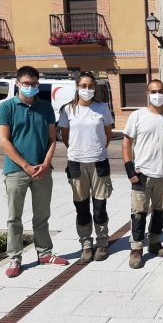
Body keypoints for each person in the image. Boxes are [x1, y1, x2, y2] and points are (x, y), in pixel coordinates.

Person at [0, 66, 68, 278]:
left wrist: (46, 163)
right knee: (14, 217)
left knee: (42, 215)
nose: (30, 87)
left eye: (34, 84)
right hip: (16, 171)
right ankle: (15, 257)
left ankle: (44, 253)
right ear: (18, 83)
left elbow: (52, 139)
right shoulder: (7, 107)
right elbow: (4, 141)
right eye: (26, 83)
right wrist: (26, 166)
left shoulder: (45, 107)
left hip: (42, 170)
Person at [58, 72, 114, 263]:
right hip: (76, 163)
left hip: (99, 163)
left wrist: (96, 150)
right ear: (77, 87)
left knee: (99, 207)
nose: (87, 89)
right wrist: (79, 150)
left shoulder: (102, 108)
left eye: (91, 86)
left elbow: (108, 134)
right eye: (83, 85)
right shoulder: (67, 110)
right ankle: (86, 244)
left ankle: (102, 242)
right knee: (81, 208)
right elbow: (65, 137)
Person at [123, 79, 163, 269]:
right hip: (142, 174)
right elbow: (127, 142)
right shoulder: (137, 116)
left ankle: (155, 243)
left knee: (160, 211)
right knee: (139, 213)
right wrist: (129, 169)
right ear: (147, 94)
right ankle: (136, 248)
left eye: (160, 91)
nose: (157, 95)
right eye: (153, 91)